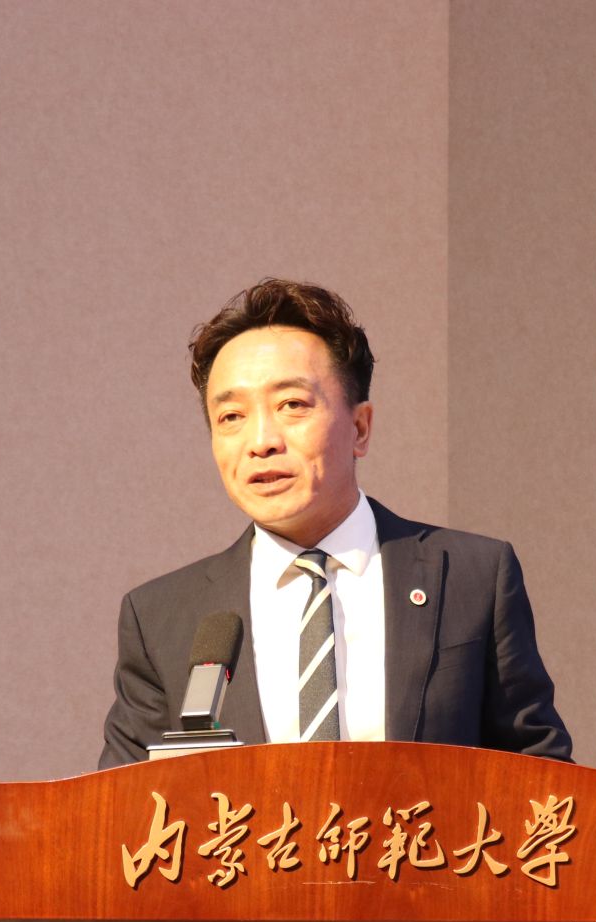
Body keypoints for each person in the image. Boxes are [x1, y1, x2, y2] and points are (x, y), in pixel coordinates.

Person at [98, 278, 571, 768]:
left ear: (360, 428)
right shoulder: (161, 617)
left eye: (292, 405)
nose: (261, 442)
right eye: (232, 416)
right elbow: (122, 802)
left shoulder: (472, 577)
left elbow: (542, 776)